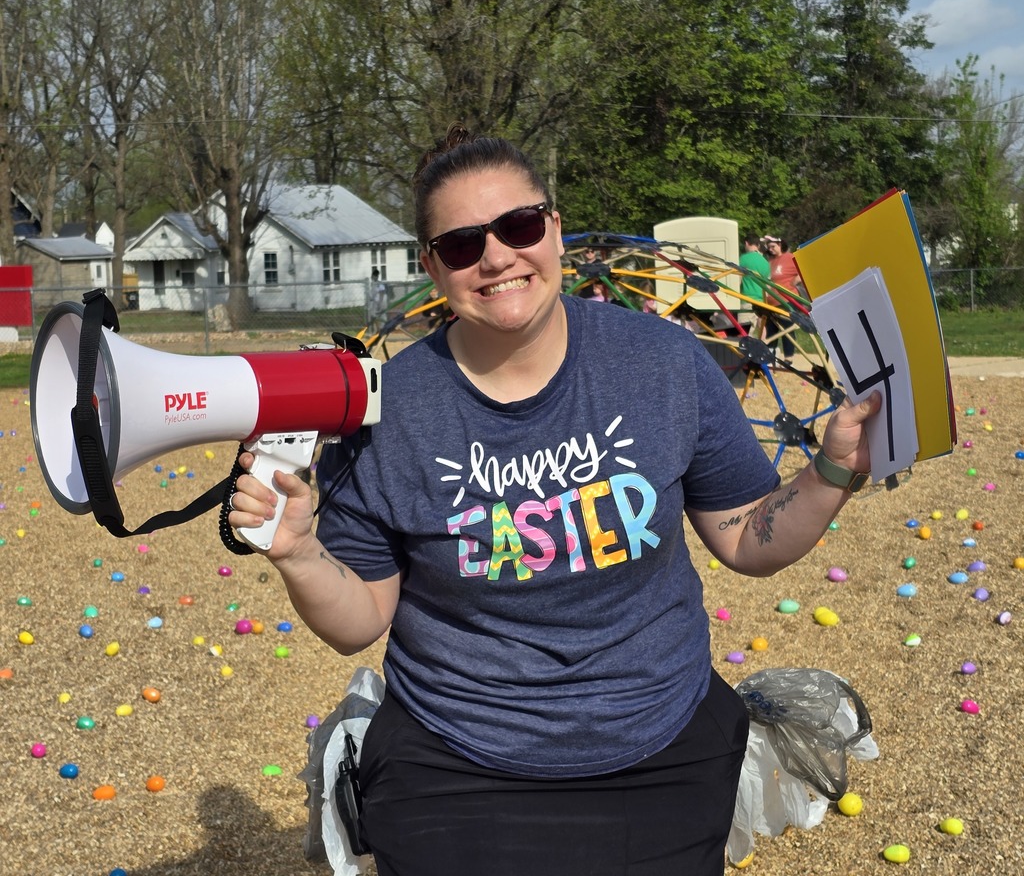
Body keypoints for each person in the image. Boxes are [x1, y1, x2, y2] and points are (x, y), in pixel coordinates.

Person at [227, 124, 879, 876]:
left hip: (660, 747)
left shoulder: (663, 362)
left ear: (555, 230)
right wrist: (301, 554)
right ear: (432, 266)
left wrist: (831, 473)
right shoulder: (388, 408)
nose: (498, 256)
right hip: (456, 758)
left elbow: (745, 538)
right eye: (464, 243)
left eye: (518, 226)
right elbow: (361, 620)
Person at [762, 235, 801, 363]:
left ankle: (788, 358)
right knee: (771, 329)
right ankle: (770, 357)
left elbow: (802, 269)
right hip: (772, 302)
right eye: (769, 247)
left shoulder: (789, 257)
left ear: (780, 244)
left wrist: (795, 282)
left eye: (773, 246)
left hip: (787, 299)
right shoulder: (771, 261)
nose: (771, 249)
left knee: (787, 327)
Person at [737, 232, 770, 331]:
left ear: (746, 243)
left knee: (744, 332)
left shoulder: (742, 259)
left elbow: (737, 280)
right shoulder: (765, 262)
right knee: (761, 328)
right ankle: (765, 345)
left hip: (747, 300)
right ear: (758, 245)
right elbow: (767, 284)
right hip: (761, 301)